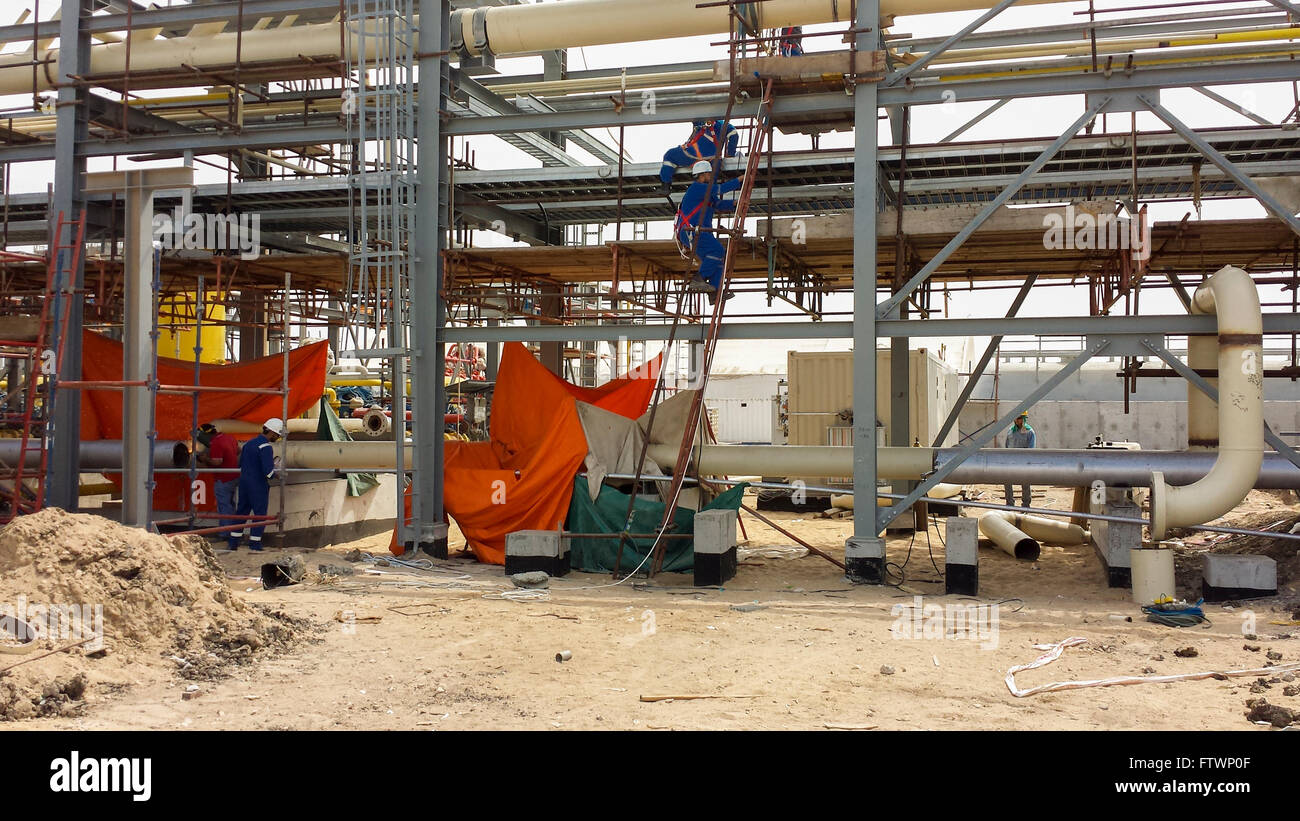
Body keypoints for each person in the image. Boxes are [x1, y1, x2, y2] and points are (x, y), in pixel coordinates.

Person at [675, 160, 743, 304]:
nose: (710, 176)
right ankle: (698, 279)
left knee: (718, 259)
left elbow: (717, 204)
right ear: (703, 175)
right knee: (717, 250)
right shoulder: (697, 188)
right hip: (692, 230)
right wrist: (739, 180)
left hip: (697, 231)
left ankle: (715, 292)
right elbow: (720, 189)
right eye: (709, 174)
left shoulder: (706, 192)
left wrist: (734, 204)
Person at [229, 417, 285, 551]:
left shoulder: (249, 444)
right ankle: (255, 543)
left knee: (241, 512)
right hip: (258, 485)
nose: (277, 438)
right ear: (271, 432)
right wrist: (277, 473)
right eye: (277, 435)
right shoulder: (265, 447)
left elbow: (240, 463)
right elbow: (268, 472)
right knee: (260, 514)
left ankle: (233, 542)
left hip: (244, 483)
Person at [658, 119, 740, 196]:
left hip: (692, 154)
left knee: (670, 155)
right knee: (711, 182)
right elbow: (734, 135)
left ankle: (666, 185)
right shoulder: (724, 125)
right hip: (713, 159)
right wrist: (730, 154)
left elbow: (694, 119)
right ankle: (709, 198)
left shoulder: (702, 121)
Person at [195, 422, 240, 541]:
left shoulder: (215, 443)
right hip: (234, 476)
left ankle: (225, 533)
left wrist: (205, 459)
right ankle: (233, 531)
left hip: (223, 478)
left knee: (224, 505)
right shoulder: (229, 437)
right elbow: (238, 450)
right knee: (230, 504)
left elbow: (217, 462)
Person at [1003, 412, 1036, 507]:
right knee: (1007, 481)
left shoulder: (1029, 432)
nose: (1016, 420)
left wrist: (1028, 462)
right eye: (1015, 418)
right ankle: (1009, 503)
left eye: (1019, 418)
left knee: (1025, 483)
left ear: (1024, 419)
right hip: (1010, 461)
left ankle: (1026, 505)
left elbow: (1031, 449)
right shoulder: (1010, 431)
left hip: (1023, 462)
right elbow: (1007, 445)